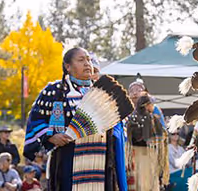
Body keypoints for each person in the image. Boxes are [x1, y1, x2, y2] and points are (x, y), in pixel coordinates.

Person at [23, 47, 131, 191]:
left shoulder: (101, 92)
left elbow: (117, 123)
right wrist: (50, 136)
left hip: (101, 161)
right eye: (81, 60)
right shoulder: (55, 91)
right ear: (68, 66)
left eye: (89, 60)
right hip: (68, 159)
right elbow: (35, 120)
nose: (87, 64)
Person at [126, 95, 168, 191]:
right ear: (147, 105)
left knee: (138, 183)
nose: (153, 106)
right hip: (148, 155)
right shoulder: (152, 118)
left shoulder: (131, 118)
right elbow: (161, 138)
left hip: (134, 156)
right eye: (151, 104)